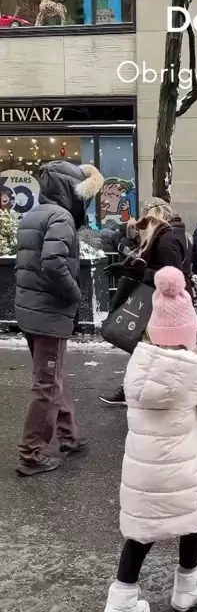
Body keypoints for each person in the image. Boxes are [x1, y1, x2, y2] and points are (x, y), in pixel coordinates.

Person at [99, 266, 197, 612]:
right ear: (189, 331)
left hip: (142, 473)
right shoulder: (193, 368)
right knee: (191, 521)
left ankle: (119, 604)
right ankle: (187, 588)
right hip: (180, 470)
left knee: (140, 533)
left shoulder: (138, 361)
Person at [15, 160, 104, 476]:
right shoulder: (61, 217)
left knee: (54, 377)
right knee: (48, 383)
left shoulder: (34, 214)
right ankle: (31, 452)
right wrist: (74, 294)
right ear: (71, 191)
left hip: (31, 309)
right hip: (49, 312)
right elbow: (53, 262)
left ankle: (68, 435)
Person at [100, 201, 185, 405]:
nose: (144, 229)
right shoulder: (170, 235)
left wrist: (139, 272)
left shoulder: (166, 240)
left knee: (148, 352)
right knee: (153, 352)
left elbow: (173, 278)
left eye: (146, 223)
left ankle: (137, 391)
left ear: (156, 217)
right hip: (164, 304)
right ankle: (141, 390)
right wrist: (129, 268)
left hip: (163, 306)